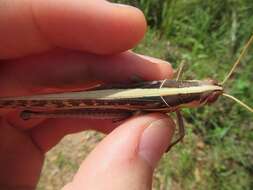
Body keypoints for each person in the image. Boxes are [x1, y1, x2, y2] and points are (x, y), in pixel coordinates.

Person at [0, 1, 175, 189]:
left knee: (83, 102)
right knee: (79, 100)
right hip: (119, 97)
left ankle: (29, 109)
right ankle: (26, 108)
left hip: (124, 103)